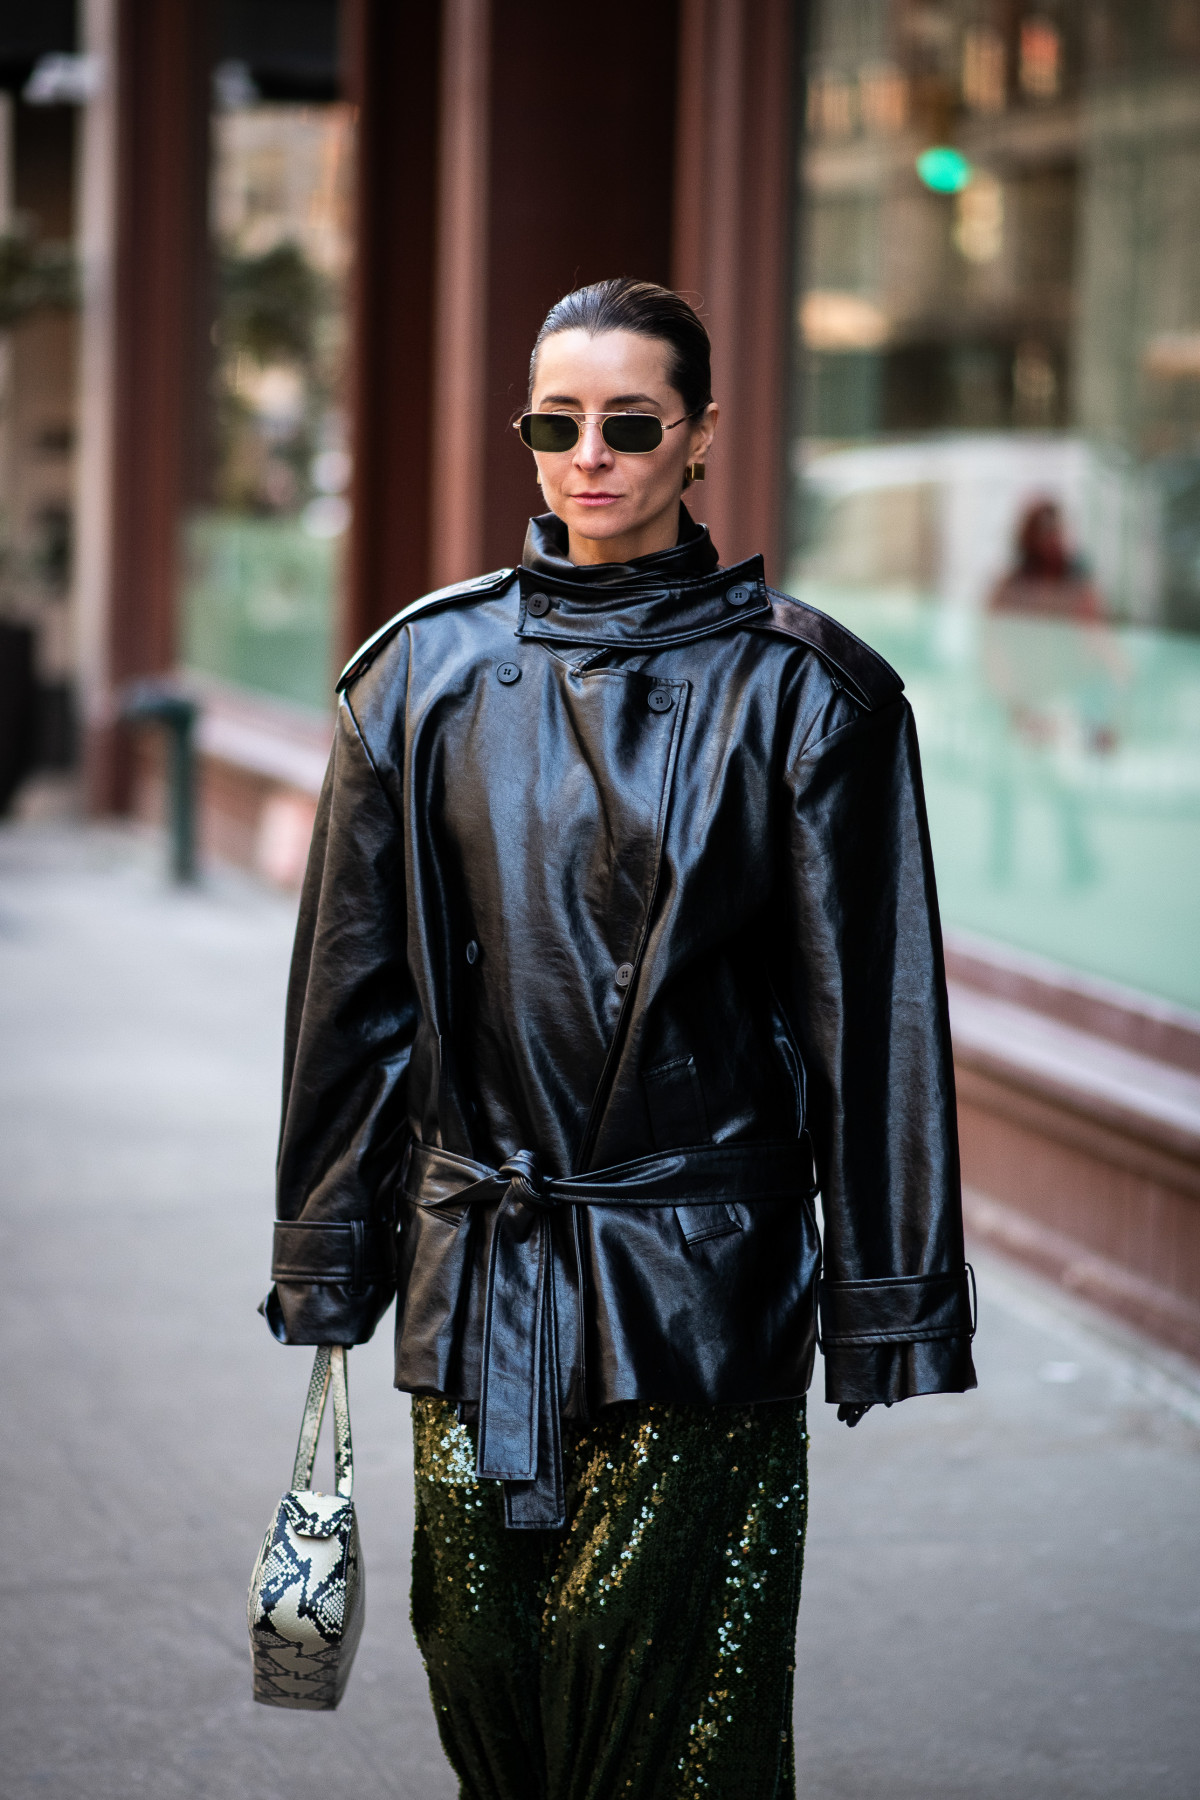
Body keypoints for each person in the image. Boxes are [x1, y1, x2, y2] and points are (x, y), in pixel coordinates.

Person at [263, 278, 975, 1799]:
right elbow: (351, 1002)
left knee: (667, 1731)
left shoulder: (809, 693)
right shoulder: (417, 674)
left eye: (631, 424)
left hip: (698, 1289)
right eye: (556, 423)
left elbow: (874, 1024)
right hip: (483, 1274)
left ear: (701, 436)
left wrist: (891, 1298)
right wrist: (328, 1253)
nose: (589, 456)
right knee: (490, 1699)